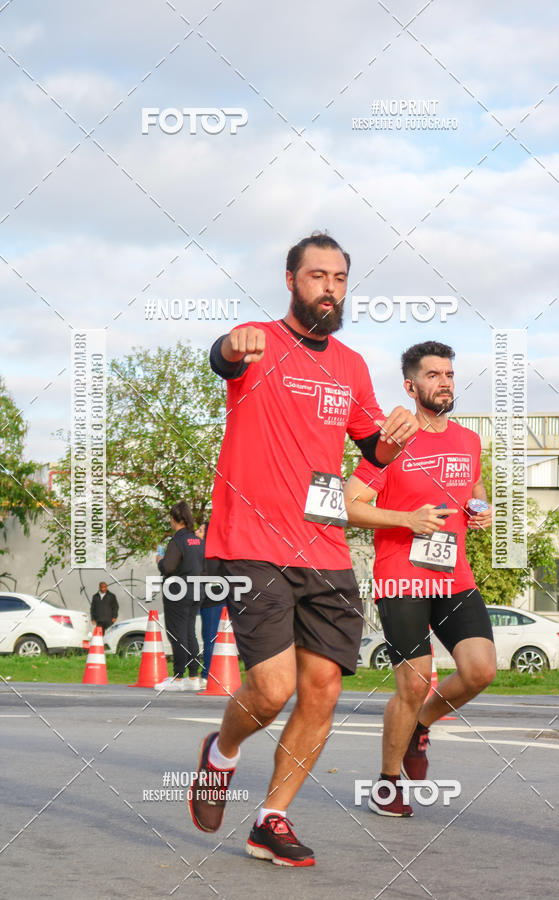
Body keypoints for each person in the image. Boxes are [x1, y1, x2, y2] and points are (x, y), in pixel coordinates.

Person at [187, 231, 418, 867]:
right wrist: (230, 346)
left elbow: (372, 445)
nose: (330, 288)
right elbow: (223, 357)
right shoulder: (255, 339)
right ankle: (221, 753)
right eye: (318, 276)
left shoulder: (349, 366)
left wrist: (394, 441)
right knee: (269, 689)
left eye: (340, 279)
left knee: (322, 689)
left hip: (325, 548)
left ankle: (272, 818)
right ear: (292, 279)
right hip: (252, 542)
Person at [343, 340, 496, 817]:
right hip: (402, 579)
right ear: (411, 386)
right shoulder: (390, 443)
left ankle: (421, 726)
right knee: (413, 683)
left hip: (455, 577)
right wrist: (407, 520)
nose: (444, 382)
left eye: (449, 374)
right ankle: (388, 785)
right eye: (433, 375)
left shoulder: (468, 440)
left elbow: (473, 486)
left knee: (480, 670)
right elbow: (348, 506)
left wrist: (481, 507)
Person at [154, 500, 204, 692]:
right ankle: (193, 676)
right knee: (190, 633)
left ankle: (177, 678)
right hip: (196, 591)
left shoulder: (178, 541)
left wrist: (159, 561)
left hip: (177, 592)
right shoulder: (198, 541)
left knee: (177, 634)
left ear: (174, 519)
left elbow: (168, 567)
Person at [194, 521, 224, 689]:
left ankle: (207, 675)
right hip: (217, 599)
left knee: (210, 638)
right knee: (212, 638)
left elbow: (207, 576)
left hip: (212, 601)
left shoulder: (206, 552)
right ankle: (211, 673)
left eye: (200, 530)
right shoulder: (218, 551)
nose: (196, 532)